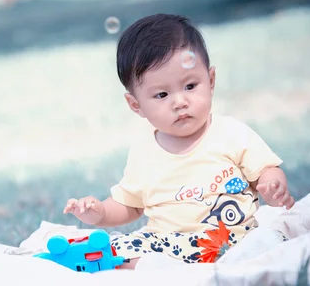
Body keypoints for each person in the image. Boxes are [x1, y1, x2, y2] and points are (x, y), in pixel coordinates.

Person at [64, 14, 294, 269]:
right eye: (162, 94)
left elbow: (265, 170)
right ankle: (121, 262)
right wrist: (99, 213)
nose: (179, 102)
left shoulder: (231, 133)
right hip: (168, 245)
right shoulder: (144, 154)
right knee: (120, 250)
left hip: (233, 239)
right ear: (136, 105)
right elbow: (128, 205)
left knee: (271, 241)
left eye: (190, 86)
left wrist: (273, 184)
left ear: (211, 81)